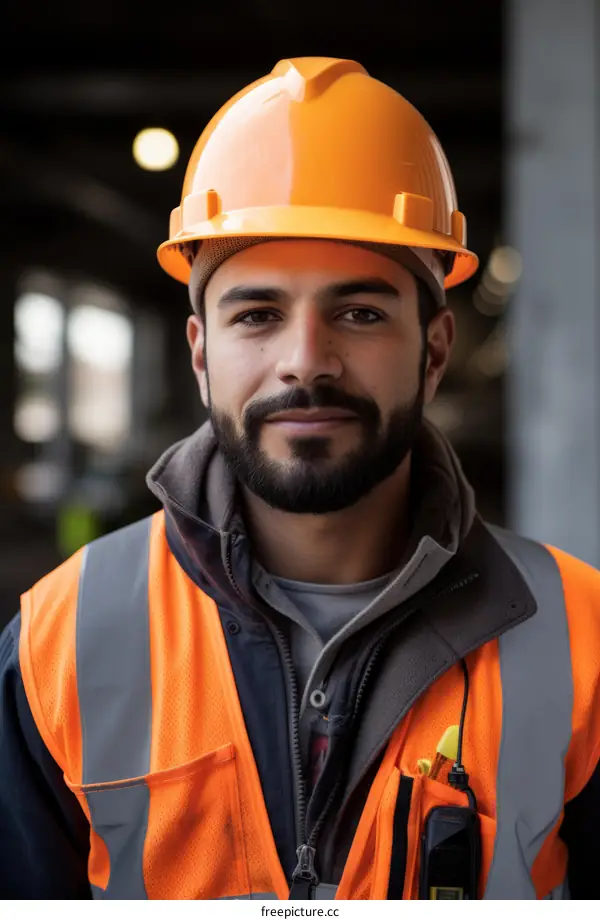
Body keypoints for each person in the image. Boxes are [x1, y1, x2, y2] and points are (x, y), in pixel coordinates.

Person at [0, 56, 598, 901]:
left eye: (360, 313)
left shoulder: (583, 642)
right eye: (257, 314)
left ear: (433, 351)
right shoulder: (59, 640)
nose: (306, 362)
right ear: (201, 354)